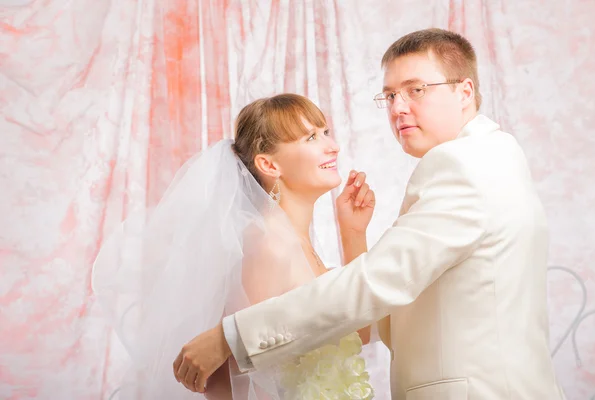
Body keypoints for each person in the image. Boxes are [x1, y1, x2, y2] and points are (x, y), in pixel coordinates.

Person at [172, 28, 566, 399]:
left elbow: (377, 285)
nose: (398, 108)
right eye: (390, 95)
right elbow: (385, 308)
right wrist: (353, 235)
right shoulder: (493, 156)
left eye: (416, 90)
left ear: (465, 92)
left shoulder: (465, 167)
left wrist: (231, 338)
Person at [92, 93, 382, 399]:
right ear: (268, 164)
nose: (332, 145)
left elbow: (355, 331)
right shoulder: (269, 244)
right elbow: (224, 375)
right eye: (311, 137)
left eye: (325, 132)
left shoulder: (294, 241)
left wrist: (353, 234)